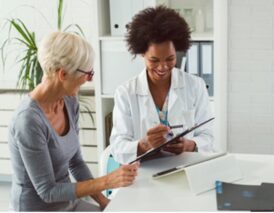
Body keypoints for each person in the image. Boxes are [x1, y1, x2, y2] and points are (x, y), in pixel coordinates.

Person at [8, 31, 139, 211]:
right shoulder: (28, 121)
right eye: (88, 73)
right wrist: (107, 181)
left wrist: (104, 203)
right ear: (63, 74)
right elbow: (48, 192)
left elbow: (76, 163)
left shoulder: (69, 101)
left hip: (68, 202)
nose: (89, 79)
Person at [110, 6, 214, 164]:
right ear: (142, 53)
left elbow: (209, 136)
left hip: (186, 167)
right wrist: (144, 144)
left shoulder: (195, 86)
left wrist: (189, 145)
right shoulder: (126, 92)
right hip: (143, 172)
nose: (163, 67)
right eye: (154, 60)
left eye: (170, 59)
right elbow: (118, 147)